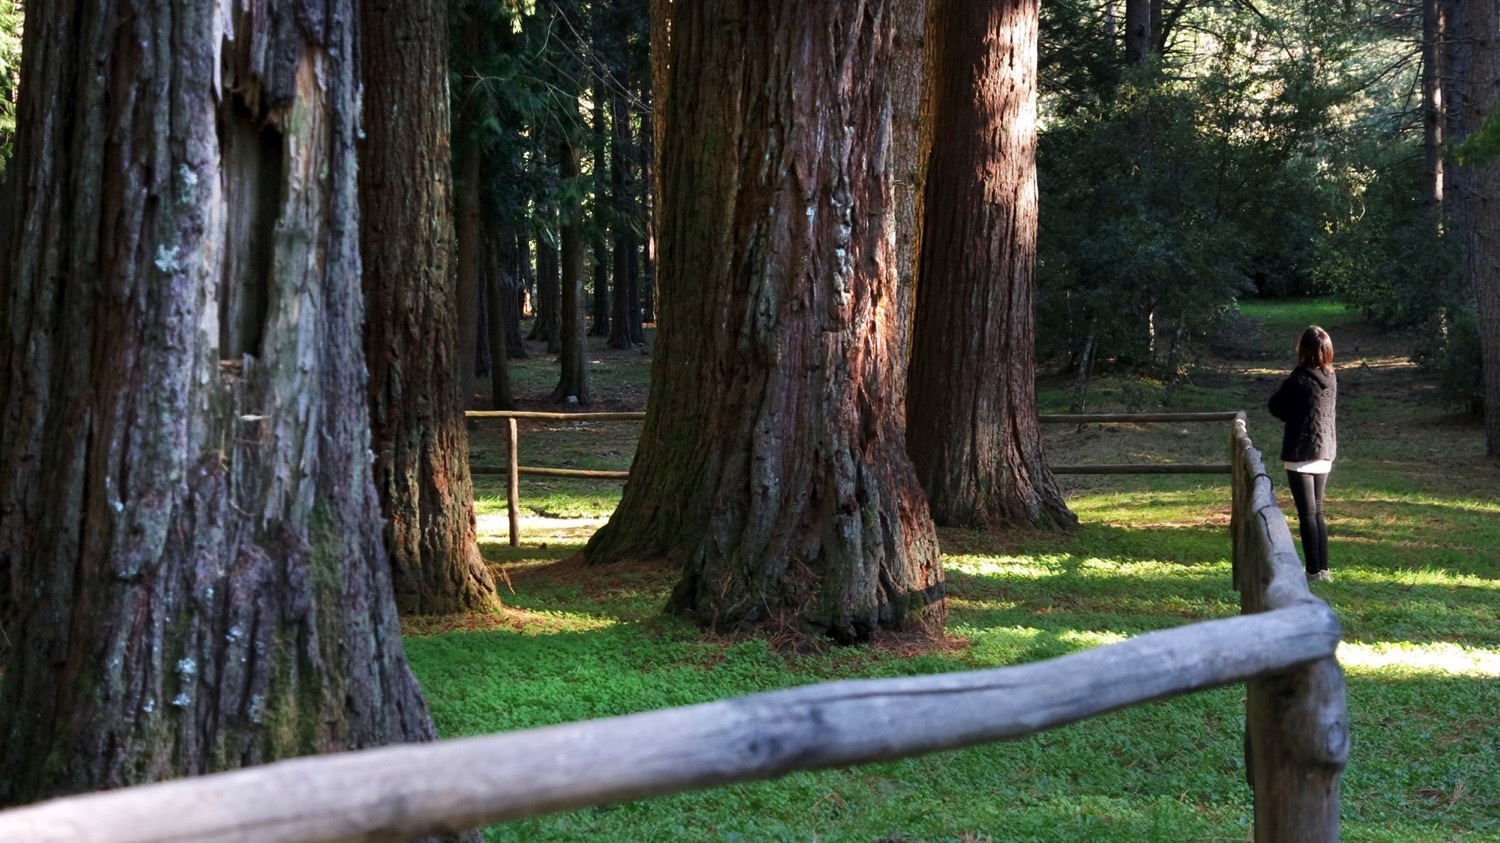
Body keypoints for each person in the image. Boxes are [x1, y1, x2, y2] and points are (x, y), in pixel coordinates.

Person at [1268, 325, 1337, 583]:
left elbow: (1275, 406)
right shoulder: (1330, 378)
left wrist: (1292, 417)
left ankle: (1311, 571)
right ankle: (1323, 569)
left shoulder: (1298, 379)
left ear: (1303, 348)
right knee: (1318, 512)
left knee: (1306, 513)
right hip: (1325, 449)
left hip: (1300, 451)